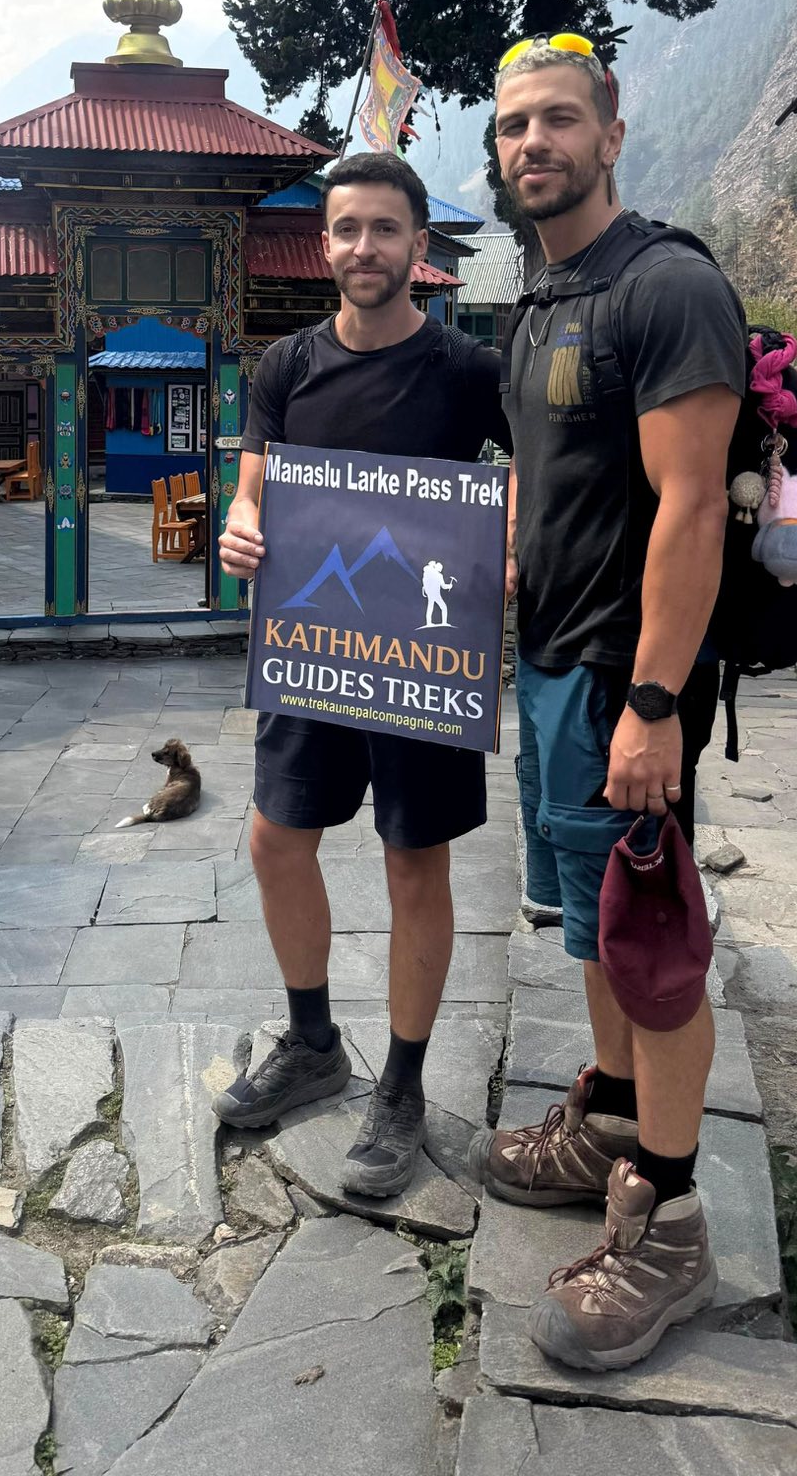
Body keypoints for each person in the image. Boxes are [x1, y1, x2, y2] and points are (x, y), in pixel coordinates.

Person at [470, 32, 745, 1372]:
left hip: (617, 680)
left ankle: (673, 1217)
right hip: (549, 669)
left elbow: (691, 507)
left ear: (612, 133)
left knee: (654, 946)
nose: (536, 142)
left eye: (561, 119)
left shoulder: (664, 286)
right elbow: (549, 473)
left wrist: (652, 699)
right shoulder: (536, 302)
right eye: (516, 124)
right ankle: (615, 1117)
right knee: (592, 923)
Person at [215, 150, 510, 1195]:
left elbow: (534, 469)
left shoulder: (468, 370)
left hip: (424, 656)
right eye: (347, 229)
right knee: (274, 837)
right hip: (313, 645)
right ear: (325, 243)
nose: (364, 247)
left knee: (413, 861)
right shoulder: (285, 366)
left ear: (418, 245)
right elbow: (253, 485)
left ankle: (403, 1083)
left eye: (385, 229)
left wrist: (511, 536)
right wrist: (240, 525)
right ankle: (312, 1042)